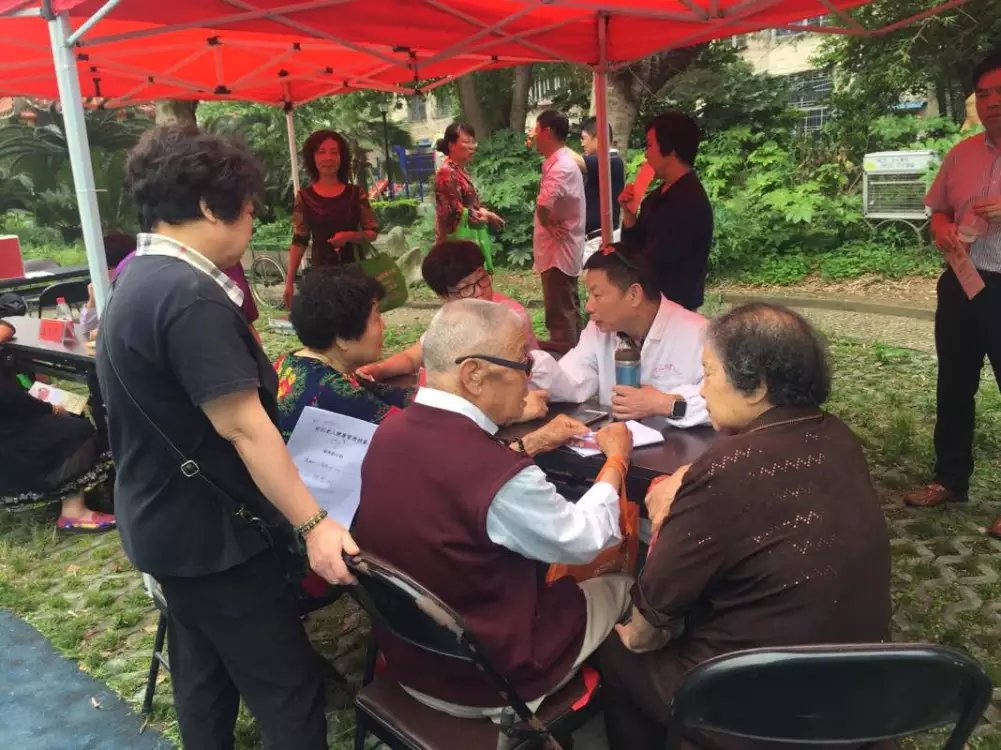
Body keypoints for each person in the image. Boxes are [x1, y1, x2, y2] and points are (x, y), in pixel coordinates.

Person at [97, 126, 358, 750]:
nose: (251, 219)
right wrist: (315, 523)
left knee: (203, 674)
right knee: (287, 689)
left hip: (163, 523)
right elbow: (242, 424)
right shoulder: (190, 298)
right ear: (210, 207)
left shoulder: (137, 279)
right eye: (246, 206)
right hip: (213, 539)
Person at [598, 303, 892, 748]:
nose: (702, 388)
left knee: (618, 651)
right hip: (857, 686)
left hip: (755, 703)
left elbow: (650, 617)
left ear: (756, 388)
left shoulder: (729, 465)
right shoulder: (837, 436)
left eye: (708, 373)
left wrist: (669, 516)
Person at [355, 299, 635, 719]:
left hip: (411, 663)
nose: (529, 379)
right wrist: (616, 461)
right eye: (524, 364)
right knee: (625, 582)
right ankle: (624, 713)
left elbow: (457, 479)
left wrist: (530, 443)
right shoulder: (500, 476)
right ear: (473, 375)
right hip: (488, 683)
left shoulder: (388, 431)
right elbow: (584, 539)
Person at [904, 50, 1001, 542]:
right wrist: (941, 228)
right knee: (954, 385)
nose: (992, 102)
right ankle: (950, 479)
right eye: (984, 94)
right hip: (962, 282)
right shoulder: (961, 154)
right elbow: (938, 209)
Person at [530, 242, 709, 427]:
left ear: (634, 295)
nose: (588, 307)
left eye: (597, 295)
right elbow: (571, 382)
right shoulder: (598, 331)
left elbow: (726, 401)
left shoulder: (698, 334)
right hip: (617, 439)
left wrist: (665, 404)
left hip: (681, 443)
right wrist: (529, 366)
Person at [357, 239, 539, 384]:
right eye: (465, 288)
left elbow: (497, 381)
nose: (479, 292)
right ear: (444, 296)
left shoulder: (511, 317)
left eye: (482, 278)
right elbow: (413, 358)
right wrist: (379, 370)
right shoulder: (451, 319)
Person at [0, 319, 115, 532]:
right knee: (77, 430)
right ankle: (73, 512)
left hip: (9, 421)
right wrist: (49, 408)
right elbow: (10, 400)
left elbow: (7, 327)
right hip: (9, 439)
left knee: (70, 415)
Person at [275, 268, 415, 440]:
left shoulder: (288, 362)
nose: (384, 326)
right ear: (342, 338)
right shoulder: (335, 392)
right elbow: (409, 432)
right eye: (376, 318)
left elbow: (386, 393)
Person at [619, 111, 713, 311]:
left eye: (649, 145)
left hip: (674, 310)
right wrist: (629, 215)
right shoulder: (657, 196)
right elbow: (635, 245)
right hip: (652, 304)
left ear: (671, 150)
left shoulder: (689, 202)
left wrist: (615, 270)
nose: (646, 154)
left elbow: (654, 260)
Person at [282, 129, 380, 308]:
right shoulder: (304, 198)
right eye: (321, 152)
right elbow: (299, 240)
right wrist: (289, 282)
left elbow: (372, 232)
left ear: (342, 158)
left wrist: (350, 236)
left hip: (354, 277)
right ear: (312, 157)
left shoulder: (356, 194)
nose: (328, 158)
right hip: (321, 278)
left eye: (334, 152)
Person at [531, 109, 586, 354]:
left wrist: (548, 224)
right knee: (566, 303)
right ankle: (574, 348)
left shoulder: (561, 167)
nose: (533, 136)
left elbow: (544, 205)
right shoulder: (560, 162)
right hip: (560, 248)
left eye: (536, 130)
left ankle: (566, 352)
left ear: (547, 132)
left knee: (560, 308)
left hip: (558, 250)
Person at [433, 122, 504, 244]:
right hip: (454, 244)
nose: (472, 146)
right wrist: (486, 215)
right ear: (451, 145)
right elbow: (455, 211)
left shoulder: (461, 171)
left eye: (473, 142)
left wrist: (483, 211)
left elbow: (469, 205)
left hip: (467, 240)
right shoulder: (446, 173)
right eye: (466, 142)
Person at [580, 116, 625, 263]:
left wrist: (555, 144)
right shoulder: (598, 163)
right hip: (590, 240)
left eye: (584, 138)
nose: (582, 143)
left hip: (599, 241)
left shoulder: (612, 161)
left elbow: (575, 160)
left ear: (598, 138)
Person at [79, 233, 136, 336]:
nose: (97, 274)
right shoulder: (103, 288)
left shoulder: (135, 290)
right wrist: (92, 302)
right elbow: (87, 329)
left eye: (107, 268)